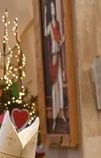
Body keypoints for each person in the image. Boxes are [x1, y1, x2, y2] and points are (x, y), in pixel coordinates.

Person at [43, 0, 66, 131]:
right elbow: (46, 34)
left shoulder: (57, 24)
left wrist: (63, 38)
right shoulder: (49, 26)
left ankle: (61, 111)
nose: (53, 11)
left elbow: (60, 40)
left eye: (53, 8)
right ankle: (56, 113)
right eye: (50, 9)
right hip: (53, 57)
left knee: (60, 85)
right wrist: (44, 13)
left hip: (58, 55)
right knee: (54, 86)